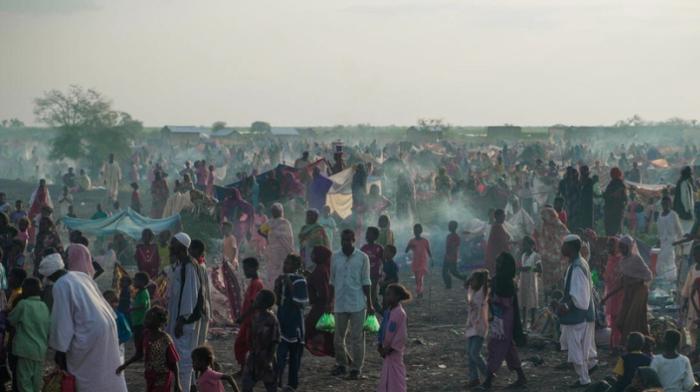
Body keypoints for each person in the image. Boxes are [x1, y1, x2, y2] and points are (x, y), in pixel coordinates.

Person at [40, 252, 128, 391]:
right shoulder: (81, 275)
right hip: (106, 324)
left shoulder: (60, 285)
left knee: (87, 374)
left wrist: (60, 350)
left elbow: (62, 320)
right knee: (107, 367)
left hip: (89, 332)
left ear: (50, 276)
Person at [478, 252, 526, 390]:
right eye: (497, 261)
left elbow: (506, 302)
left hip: (504, 321)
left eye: (500, 262)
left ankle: (487, 381)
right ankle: (521, 377)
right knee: (508, 349)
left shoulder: (506, 282)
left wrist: (492, 299)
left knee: (496, 348)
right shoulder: (498, 279)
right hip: (499, 320)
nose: (497, 264)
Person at [331, 229, 373, 379]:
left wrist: (370, 304)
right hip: (340, 302)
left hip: (357, 302)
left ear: (354, 240)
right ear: (340, 240)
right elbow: (332, 281)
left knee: (357, 338)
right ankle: (341, 364)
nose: (346, 242)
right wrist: (331, 302)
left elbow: (366, 282)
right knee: (338, 338)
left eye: (349, 240)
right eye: (344, 239)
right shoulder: (335, 257)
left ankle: (356, 368)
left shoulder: (363, 258)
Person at [557, 234, 597, 388]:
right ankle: (591, 366)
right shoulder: (579, 263)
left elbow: (580, 296)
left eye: (563, 246)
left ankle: (584, 379)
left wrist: (566, 307)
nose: (561, 249)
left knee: (577, 348)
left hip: (579, 315)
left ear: (570, 248)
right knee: (582, 347)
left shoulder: (578, 266)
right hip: (582, 314)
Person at [166, 232, 205, 392]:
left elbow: (190, 295)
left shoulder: (189, 266)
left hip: (184, 322)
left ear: (182, 246)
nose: (170, 246)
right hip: (177, 319)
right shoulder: (180, 266)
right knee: (177, 356)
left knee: (184, 359)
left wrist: (182, 320)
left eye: (173, 243)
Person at [117, 305, 182, 392]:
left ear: (158, 322)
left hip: (163, 377)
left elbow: (174, 363)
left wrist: (178, 383)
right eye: (146, 318)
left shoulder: (165, 339)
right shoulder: (145, 335)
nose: (145, 321)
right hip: (150, 376)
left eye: (149, 319)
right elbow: (138, 354)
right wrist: (124, 365)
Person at [7, 277, 49, 392]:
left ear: (25, 290)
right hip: (40, 351)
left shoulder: (23, 304)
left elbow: (11, 320)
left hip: (25, 351)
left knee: (24, 382)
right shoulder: (44, 306)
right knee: (36, 382)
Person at [274, 254, 308, 391]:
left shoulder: (300, 281)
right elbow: (278, 301)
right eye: (285, 263)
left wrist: (288, 284)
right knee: (280, 355)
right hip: (282, 321)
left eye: (288, 263)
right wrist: (277, 287)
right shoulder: (282, 280)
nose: (284, 266)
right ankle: (277, 382)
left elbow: (300, 302)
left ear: (296, 266)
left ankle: (292, 384)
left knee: (295, 356)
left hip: (295, 323)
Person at [241, 289, 280, 392]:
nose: (255, 300)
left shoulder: (271, 319)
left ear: (265, 303)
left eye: (258, 299)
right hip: (254, 357)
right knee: (246, 385)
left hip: (266, 357)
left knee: (271, 387)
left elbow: (275, 341)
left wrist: (269, 360)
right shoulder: (256, 316)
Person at [615, 235, 652, 342]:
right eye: (620, 247)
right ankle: (638, 342)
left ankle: (630, 344)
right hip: (628, 293)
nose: (622, 249)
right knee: (620, 322)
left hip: (639, 292)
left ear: (630, 247)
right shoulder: (622, 261)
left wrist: (635, 281)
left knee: (632, 320)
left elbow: (648, 275)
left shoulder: (636, 259)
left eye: (624, 247)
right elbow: (623, 282)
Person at [377, 284, 410, 392]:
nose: (386, 297)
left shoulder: (400, 313)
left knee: (396, 377)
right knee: (386, 375)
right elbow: (382, 329)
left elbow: (401, 335)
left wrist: (390, 348)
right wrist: (380, 345)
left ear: (397, 297)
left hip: (394, 352)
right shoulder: (388, 312)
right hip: (386, 351)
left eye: (388, 295)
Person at [234, 257, 264, 372]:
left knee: (244, 345)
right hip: (249, 321)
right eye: (244, 269)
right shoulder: (254, 282)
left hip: (251, 321)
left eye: (247, 269)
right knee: (244, 345)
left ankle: (248, 369)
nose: (245, 272)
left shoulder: (256, 283)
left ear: (255, 268)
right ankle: (245, 368)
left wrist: (242, 317)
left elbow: (254, 304)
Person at [305, 246, 334, 357]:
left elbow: (323, 293)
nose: (312, 256)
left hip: (320, 307)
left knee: (309, 331)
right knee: (329, 337)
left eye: (314, 254)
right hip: (324, 306)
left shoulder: (320, 270)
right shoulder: (324, 268)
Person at [533, 207, 569, 295]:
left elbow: (564, 240)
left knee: (559, 279)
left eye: (544, 218)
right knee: (547, 281)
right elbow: (541, 240)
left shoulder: (560, 227)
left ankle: (559, 296)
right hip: (546, 258)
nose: (543, 220)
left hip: (558, 258)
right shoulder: (544, 227)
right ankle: (548, 300)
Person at [259, 203, 295, 287]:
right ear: (282, 212)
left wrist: (268, 237)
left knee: (272, 272)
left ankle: (273, 289)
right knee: (281, 271)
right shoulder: (286, 223)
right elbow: (289, 238)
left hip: (273, 252)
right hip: (283, 252)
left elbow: (260, 231)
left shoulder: (269, 223)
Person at [465, 269, 489, 388]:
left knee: (474, 353)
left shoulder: (483, 292)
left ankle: (488, 374)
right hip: (471, 325)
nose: (471, 283)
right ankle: (474, 378)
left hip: (480, 326)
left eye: (474, 280)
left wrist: (483, 279)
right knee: (470, 353)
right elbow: (468, 286)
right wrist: (470, 281)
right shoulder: (472, 291)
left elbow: (485, 287)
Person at [603, 237, 624, 349]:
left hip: (619, 295)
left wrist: (607, 297)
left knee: (618, 320)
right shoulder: (610, 259)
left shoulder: (622, 261)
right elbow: (607, 278)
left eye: (611, 246)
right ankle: (614, 343)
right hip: (612, 295)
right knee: (613, 320)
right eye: (608, 245)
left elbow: (621, 282)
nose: (609, 248)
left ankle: (618, 344)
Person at [656, 196, 683, 282]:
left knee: (670, 261)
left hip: (672, 243)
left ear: (670, 204)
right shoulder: (660, 215)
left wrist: (680, 243)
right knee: (661, 261)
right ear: (662, 204)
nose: (665, 205)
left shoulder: (673, 215)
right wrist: (659, 240)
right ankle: (664, 280)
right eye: (663, 203)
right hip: (663, 243)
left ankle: (671, 280)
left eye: (667, 203)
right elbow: (659, 230)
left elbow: (679, 230)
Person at [103, 289, 132, 363]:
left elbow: (128, 333)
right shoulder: (103, 315)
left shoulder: (119, 316)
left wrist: (119, 340)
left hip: (117, 346)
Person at [518, 236, 541, 328]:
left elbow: (540, 269)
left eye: (526, 244)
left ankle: (533, 321)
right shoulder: (523, 256)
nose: (525, 246)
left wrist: (530, 268)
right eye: (524, 245)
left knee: (532, 300)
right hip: (523, 279)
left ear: (532, 245)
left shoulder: (536, 256)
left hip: (531, 280)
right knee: (523, 298)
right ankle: (524, 320)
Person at [681, 244, 700, 349]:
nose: (696, 257)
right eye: (694, 254)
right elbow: (687, 286)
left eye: (698, 254)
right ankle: (693, 348)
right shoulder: (693, 268)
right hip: (693, 303)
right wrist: (685, 301)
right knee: (692, 327)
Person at [405, 224, 432, 298]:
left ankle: (419, 291)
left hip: (423, 261)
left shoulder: (425, 241)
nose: (416, 232)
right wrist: (410, 246)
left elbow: (428, 251)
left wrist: (431, 259)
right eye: (415, 230)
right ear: (413, 231)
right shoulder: (412, 241)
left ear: (421, 231)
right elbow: (406, 250)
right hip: (415, 262)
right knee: (417, 278)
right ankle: (420, 290)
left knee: (420, 277)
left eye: (418, 230)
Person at [362, 227, 384, 312]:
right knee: (370, 297)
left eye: (369, 233)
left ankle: (375, 315)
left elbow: (384, 261)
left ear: (375, 236)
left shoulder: (379, 248)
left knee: (372, 297)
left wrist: (382, 274)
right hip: (365, 276)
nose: (367, 235)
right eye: (367, 233)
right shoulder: (364, 248)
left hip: (375, 276)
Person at [131, 272, 151, 359]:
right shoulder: (140, 292)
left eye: (135, 280)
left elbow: (143, 305)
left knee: (139, 339)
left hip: (141, 321)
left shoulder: (143, 293)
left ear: (142, 282)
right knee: (138, 339)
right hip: (138, 320)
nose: (134, 282)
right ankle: (139, 354)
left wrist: (133, 309)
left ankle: (140, 355)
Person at [485, 209, 511, 275]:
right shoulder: (497, 227)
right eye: (503, 216)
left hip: (496, 256)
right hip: (495, 257)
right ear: (498, 216)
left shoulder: (498, 226)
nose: (504, 217)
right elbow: (502, 243)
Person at [603, 168, 628, 236]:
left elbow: (605, 196)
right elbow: (625, 200)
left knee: (609, 232)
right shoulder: (621, 185)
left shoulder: (610, 185)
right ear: (619, 174)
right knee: (616, 233)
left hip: (609, 212)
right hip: (617, 212)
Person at [673, 166, 696, 233]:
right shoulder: (684, 183)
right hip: (683, 211)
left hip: (681, 211)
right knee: (686, 230)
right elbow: (684, 198)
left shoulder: (682, 182)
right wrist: (688, 210)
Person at [443, 220, 465, 289]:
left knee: (453, 272)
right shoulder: (449, 236)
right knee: (447, 272)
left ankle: (464, 278)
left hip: (451, 257)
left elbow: (453, 247)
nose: (448, 227)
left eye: (450, 226)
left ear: (454, 227)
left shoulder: (455, 237)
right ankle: (448, 285)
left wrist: (449, 256)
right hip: (448, 256)